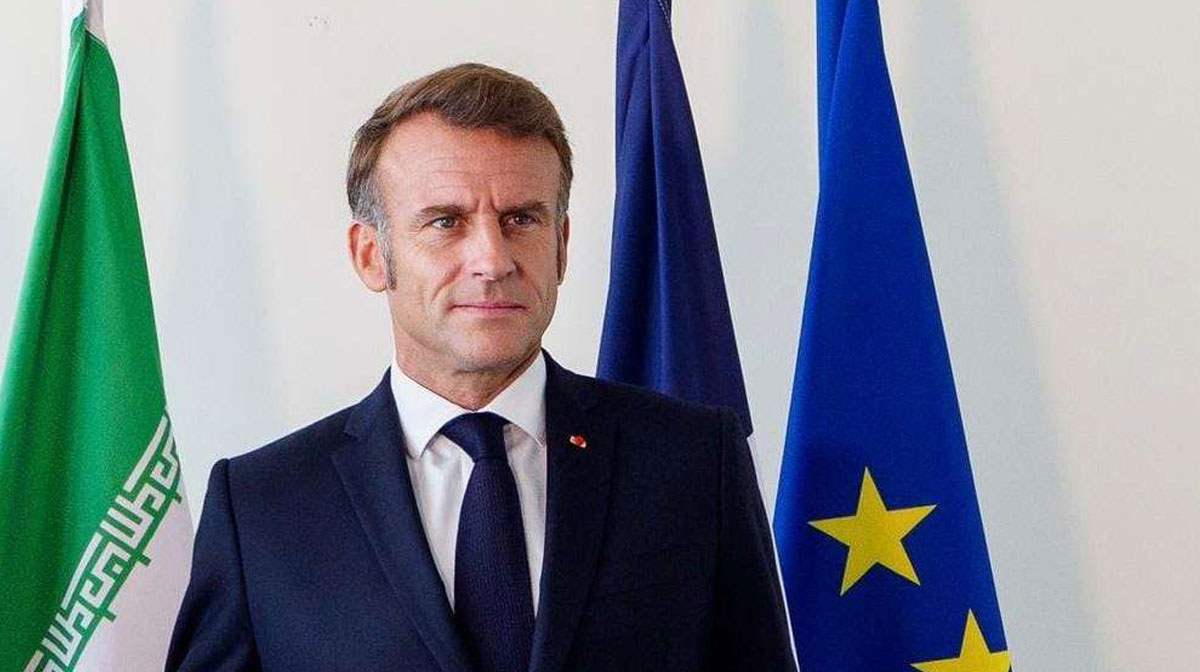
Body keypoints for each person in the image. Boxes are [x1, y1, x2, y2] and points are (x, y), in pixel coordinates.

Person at [166, 63, 796, 672]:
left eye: (521, 219)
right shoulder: (262, 508)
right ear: (370, 255)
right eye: (446, 222)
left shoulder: (694, 462)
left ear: (561, 246)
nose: (492, 260)